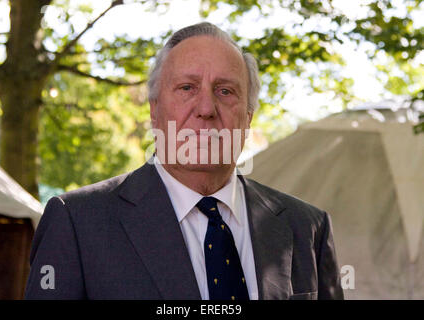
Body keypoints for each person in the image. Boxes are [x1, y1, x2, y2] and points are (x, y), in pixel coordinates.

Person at [25, 22, 343, 300]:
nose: (206, 108)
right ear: (154, 110)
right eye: (187, 88)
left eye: (226, 91)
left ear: (248, 117)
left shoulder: (307, 228)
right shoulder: (78, 223)